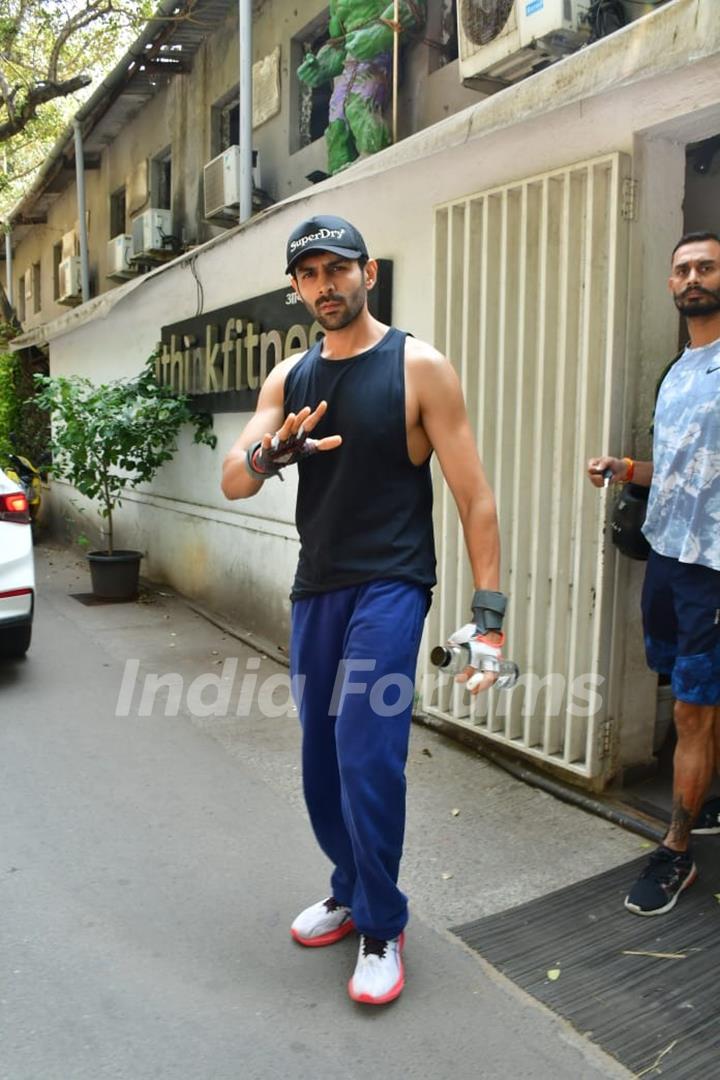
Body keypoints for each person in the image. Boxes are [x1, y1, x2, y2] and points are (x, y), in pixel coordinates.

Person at [221, 213, 505, 1004]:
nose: (325, 286)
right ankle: (349, 888)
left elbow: (475, 498)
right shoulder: (288, 378)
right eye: (308, 275)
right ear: (296, 288)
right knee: (319, 755)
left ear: (367, 272)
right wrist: (269, 452)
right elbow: (233, 479)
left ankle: (384, 921)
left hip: (393, 581)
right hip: (319, 585)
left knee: (366, 748)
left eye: (336, 269)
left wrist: (490, 617)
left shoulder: (420, 366)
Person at [588, 230, 720, 916]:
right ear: (671, 285)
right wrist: (626, 469)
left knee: (695, 707)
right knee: (689, 692)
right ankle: (706, 800)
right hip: (669, 556)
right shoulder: (678, 370)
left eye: (705, 266)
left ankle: (676, 849)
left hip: (713, 568)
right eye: (682, 269)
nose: (692, 277)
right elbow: (675, 469)